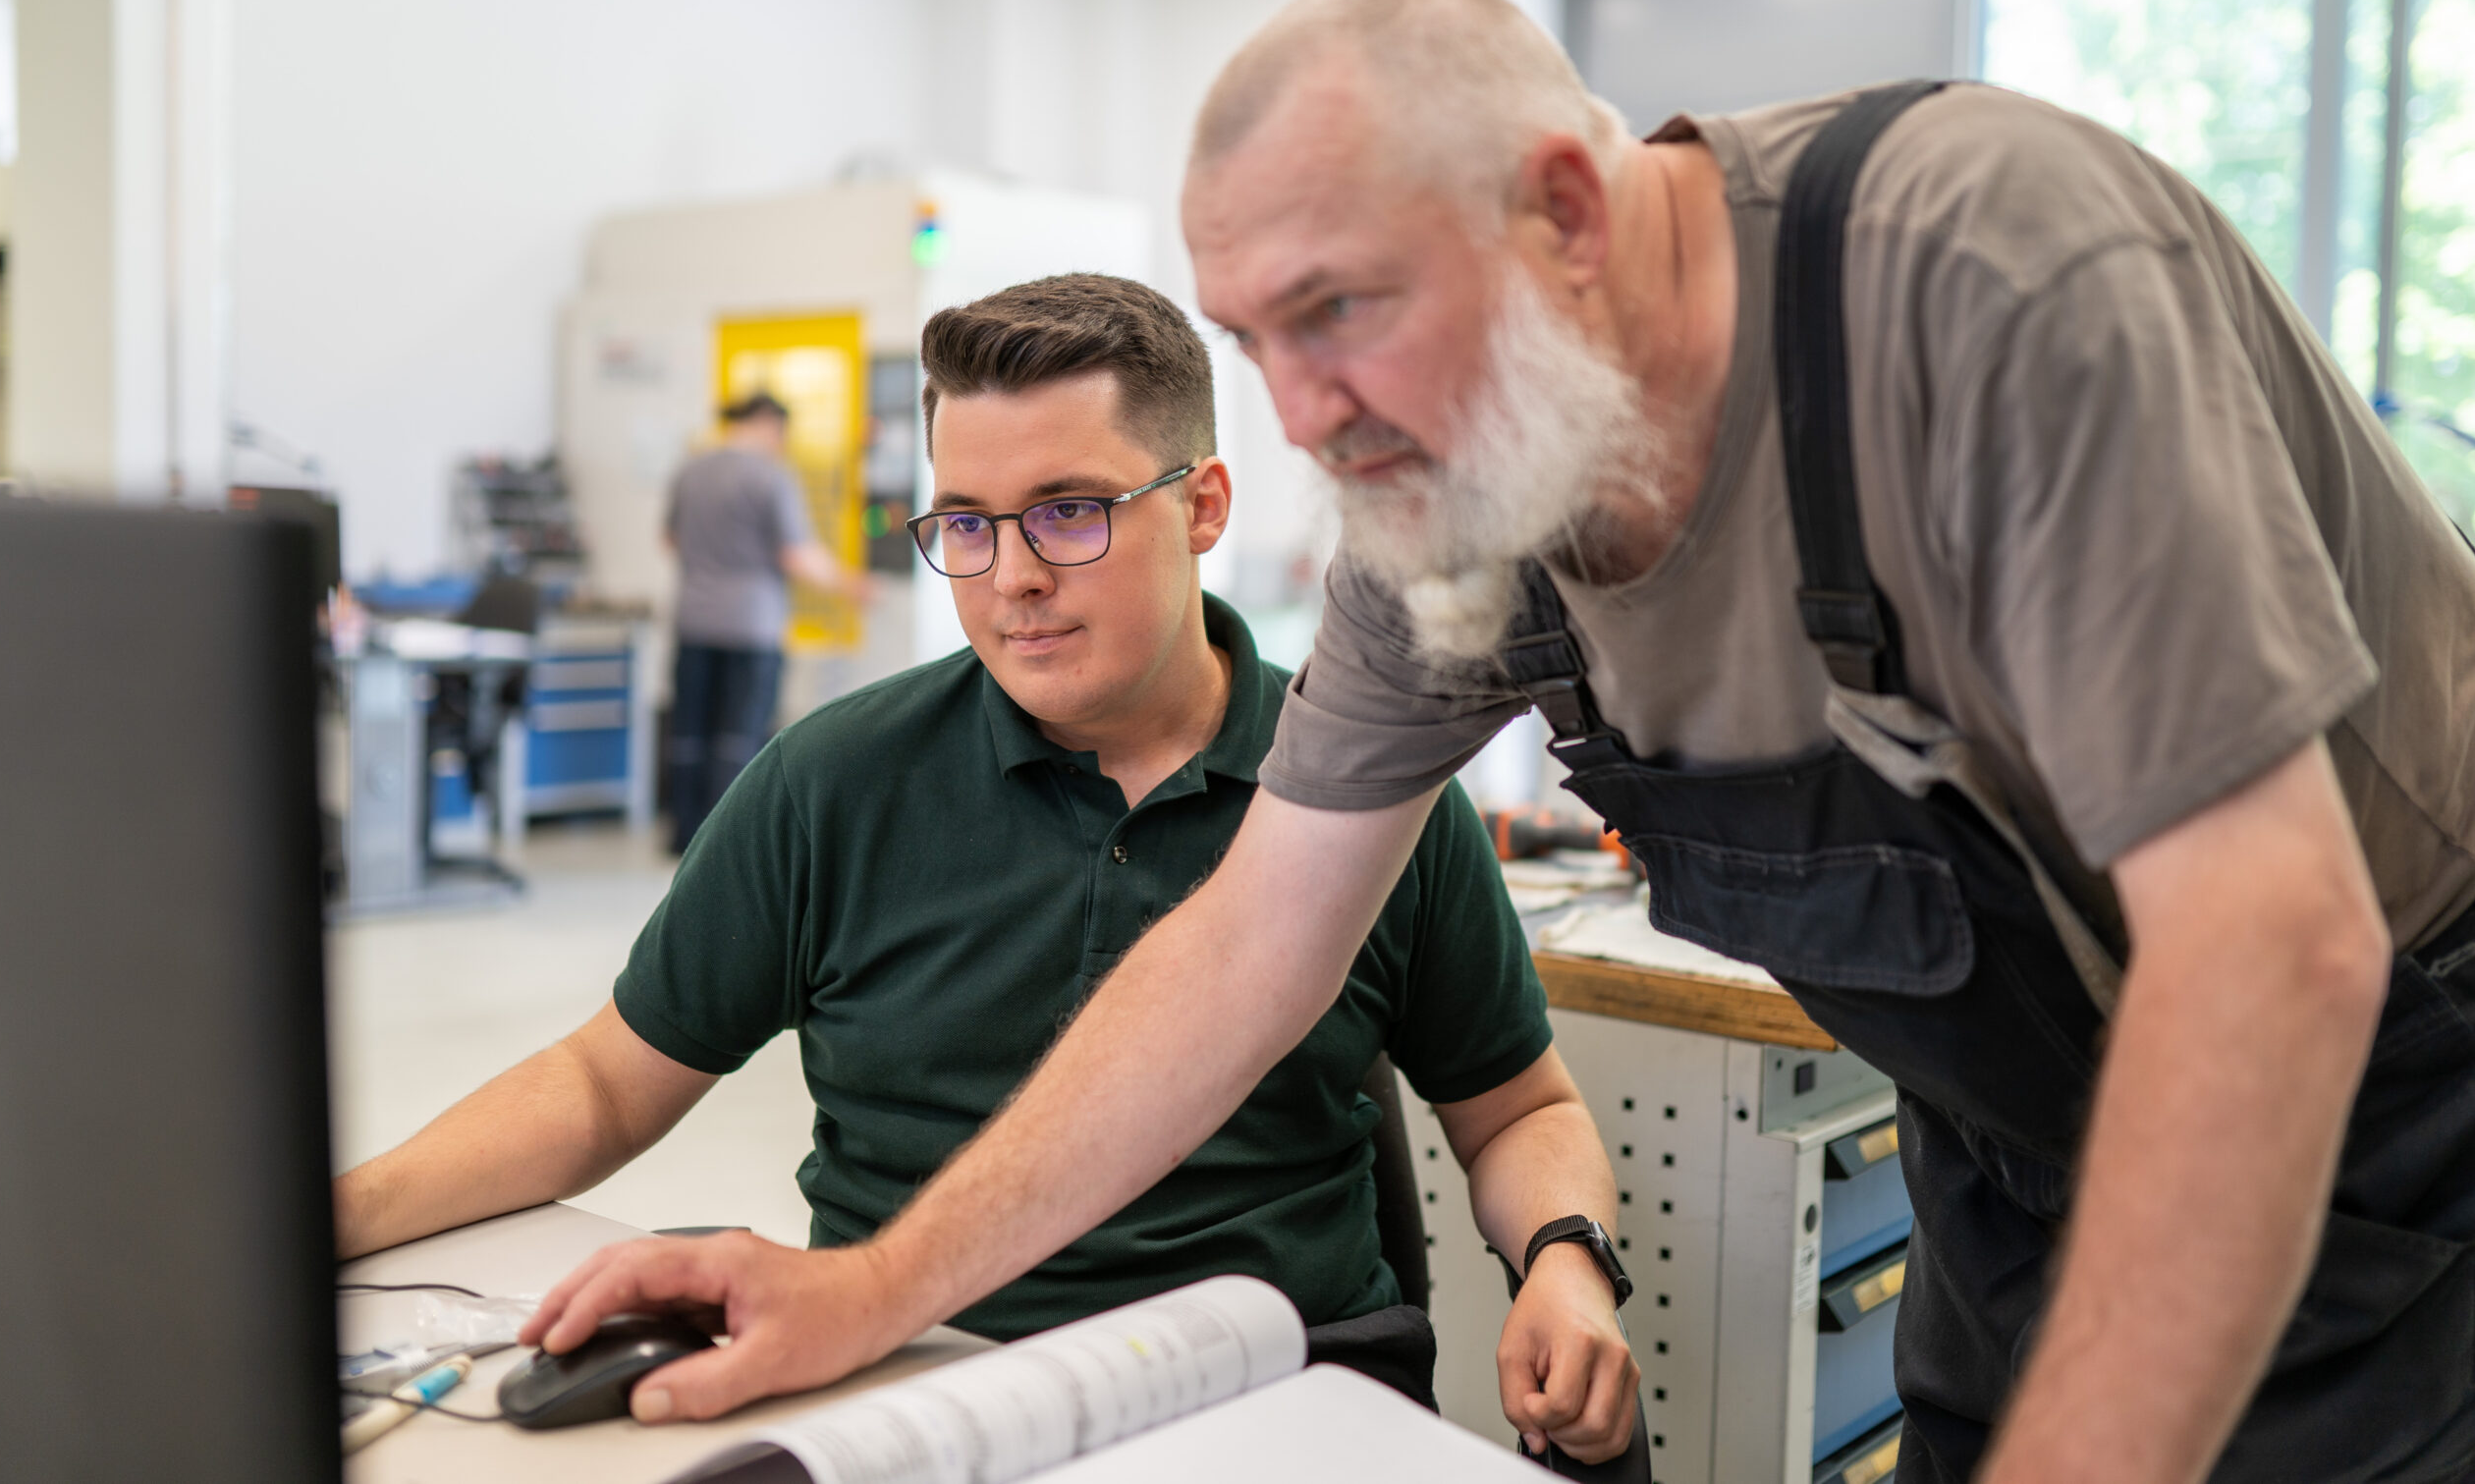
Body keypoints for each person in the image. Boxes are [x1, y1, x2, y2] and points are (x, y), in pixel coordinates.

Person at [522, 0, 2475, 1483]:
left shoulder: (1983, 281)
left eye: (1338, 312)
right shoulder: (1451, 486)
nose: (1299, 418)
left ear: (1565, 205)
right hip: (2012, 1130)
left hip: (2393, 1095)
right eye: (1251, 343)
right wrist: (865, 1290)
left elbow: (2272, 950)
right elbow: (1242, 947)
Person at [342, 272, 1642, 1467]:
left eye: (1070, 513)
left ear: (1203, 506)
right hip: (909, 1384)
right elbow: (602, 1080)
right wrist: (334, 1214)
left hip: (1277, 1393)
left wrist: (1564, 1257)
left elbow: (1518, 1106)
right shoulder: (836, 782)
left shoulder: (1366, 795)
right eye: (964, 523)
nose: (1012, 578)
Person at [662, 392, 844, 852]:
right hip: (752, 626)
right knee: (738, 737)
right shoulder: (770, 475)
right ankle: (724, 844)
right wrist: (854, 585)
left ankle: (682, 835)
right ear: (768, 423)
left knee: (689, 732)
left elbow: (669, 540)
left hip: (694, 621)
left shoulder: (691, 470)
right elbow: (795, 554)